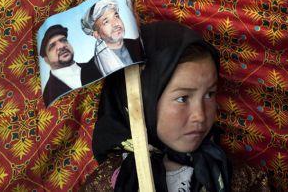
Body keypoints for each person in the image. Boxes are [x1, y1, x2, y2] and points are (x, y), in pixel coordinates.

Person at [81, 20, 270, 192]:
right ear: (142, 103)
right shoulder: (110, 182)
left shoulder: (238, 177)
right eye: (182, 98)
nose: (200, 116)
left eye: (209, 94)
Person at [40, 24, 102, 107]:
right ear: (46, 59)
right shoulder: (48, 96)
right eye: (52, 46)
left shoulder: (97, 64)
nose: (61, 46)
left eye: (63, 40)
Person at [81, 0, 144, 76]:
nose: (116, 24)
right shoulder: (89, 70)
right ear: (97, 34)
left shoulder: (138, 44)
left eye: (116, 16)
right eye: (106, 21)